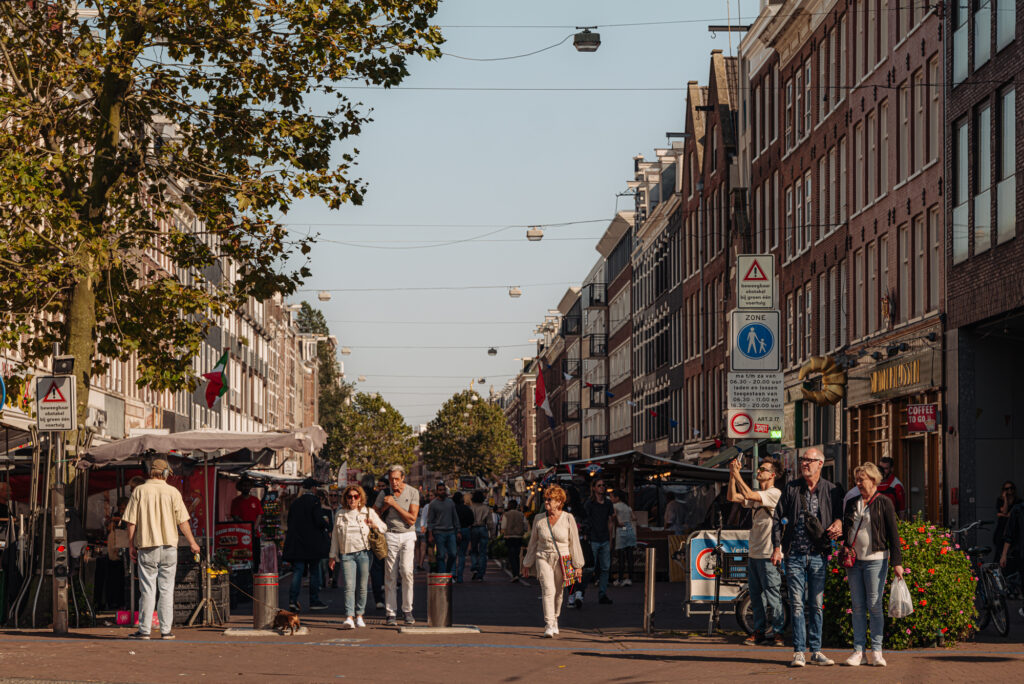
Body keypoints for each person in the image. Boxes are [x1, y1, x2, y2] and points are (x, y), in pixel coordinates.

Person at [771, 447, 843, 668]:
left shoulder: (831, 490)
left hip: (819, 555)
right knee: (797, 604)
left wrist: (839, 524)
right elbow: (777, 518)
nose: (804, 464)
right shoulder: (792, 489)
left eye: (809, 460)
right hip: (794, 555)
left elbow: (842, 517)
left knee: (816, 604)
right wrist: (776, 547)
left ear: (820, 463)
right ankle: (799, 652)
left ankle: (817, 650)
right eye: (802, 460)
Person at [122, 458, 201, 639]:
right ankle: (166, 631)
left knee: (147, 590)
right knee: (167, 589)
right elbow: (183, 522)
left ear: (150, 472)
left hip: (147, 547)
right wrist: (192, 543)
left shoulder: (139, 491)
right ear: (166, 474)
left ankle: (145, 630)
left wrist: (131, 544)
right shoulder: (173, 492)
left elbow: (131, 522)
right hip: (169, 548)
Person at [840, 462, 904, 667]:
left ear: (873, 479)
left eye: (862, 479)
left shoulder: (884, 502)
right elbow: (846, 530)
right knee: (857, 606)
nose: (858, 483)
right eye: (856, 479)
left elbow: (893, 534)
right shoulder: (852, 502)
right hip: (854, 561)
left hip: (876, 560)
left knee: (875, 606)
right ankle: (859, 651)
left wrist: (897, 563)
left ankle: (877, 650)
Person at [728, 457, 784, 647]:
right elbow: (733, 497)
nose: (758, 472)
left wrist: (737, 474)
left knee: (773, 595)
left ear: (772, 474)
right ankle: (759, 631)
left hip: (769, 553)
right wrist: (731, 476)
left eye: (763, 469)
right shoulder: (760, 494)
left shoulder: (774, 493)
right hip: (754, 553)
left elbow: (750, 495)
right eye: (759, 469)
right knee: (756, 595)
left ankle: (778, 633)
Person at [522, 484, 585, 637]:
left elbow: (574, 542)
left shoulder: (568, 518)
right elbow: (533, 543)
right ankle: (549, 624)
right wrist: (527, 563)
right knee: (548, 589)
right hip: (543, 556)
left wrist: (578, 565)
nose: (547, 502)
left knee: (558, 592)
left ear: (559, 501)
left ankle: (555, 618)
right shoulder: (539, 518)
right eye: (546, 499)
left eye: (550, 499)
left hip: (563, 558)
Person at [328, 485, 387, 630]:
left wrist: (373, 525)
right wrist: (332, 556)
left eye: (356, 496)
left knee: (362, 586)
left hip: (364, 553)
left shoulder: (368, 512)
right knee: (349, 586)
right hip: (347, 554)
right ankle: (349, 616)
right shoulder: (340, 514)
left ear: (360, 497)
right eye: (350, 497)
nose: (353, 499)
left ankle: (359, 614)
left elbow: (384, 527)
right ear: (345, 498)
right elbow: (335, 537)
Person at [374, 465, 420, 626]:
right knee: (390, 574)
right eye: (391, 479)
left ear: (403, 478)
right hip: (391, 534)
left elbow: (412, 519)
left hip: (407, 534)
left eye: (396, 479)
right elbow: (375, 513)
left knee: (407, 571)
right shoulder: (384, 493)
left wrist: (394, 504)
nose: (393, 482)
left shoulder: (413, 492)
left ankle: (407, 610)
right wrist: (387, 504)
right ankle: (391, 612)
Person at [282, 478, 331, 612]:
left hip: (297, 544)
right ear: (314, 489)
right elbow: (319, 521)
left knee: (298, 571)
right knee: (314, 572)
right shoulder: (314, 502)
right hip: (312, 544)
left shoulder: (295, 503)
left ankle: (292, 600)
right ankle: (314, 601)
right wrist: (326, 524)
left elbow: (290, 522)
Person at [584, 478, 615, 604]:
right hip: (593, 539)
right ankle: (579, 593)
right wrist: (587, 536)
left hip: (604, 539)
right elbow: (585, 521)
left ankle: (602, 594)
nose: (602, 487)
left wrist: (611, 538)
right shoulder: (589, 504)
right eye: (599, 485)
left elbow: (610, 521)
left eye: (603, 485)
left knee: (605, 568)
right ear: (594, 488)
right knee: (589, 568)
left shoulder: (608, 503)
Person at [426, 482, 460, 573]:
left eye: (444, 490)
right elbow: (430, 520)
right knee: (441, 555)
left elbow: (455, 517)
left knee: (453, 554)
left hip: (450, 531)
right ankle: (443, 574)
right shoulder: (433, 504)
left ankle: (448, 570)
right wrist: (430, 534)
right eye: (440, 490)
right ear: (437, 491)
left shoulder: (450, 502)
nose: (442, 492)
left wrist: (458, 530)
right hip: (438, 532)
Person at [609, 490, 637, 587]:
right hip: (629, 529)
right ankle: (630, 578)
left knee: (621, 557)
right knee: (630, 556)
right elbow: (634, 518)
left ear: (617, 498)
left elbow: (613, 516)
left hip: (621, 530)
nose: (611, 499)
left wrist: (617, 520)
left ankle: (620, 579)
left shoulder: (615, 506)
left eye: (612, 497)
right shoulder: (628, 507)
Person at [469, 490, 494, 580]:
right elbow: (490, 522)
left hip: (473, 529)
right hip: (483, 528)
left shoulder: (471, 508)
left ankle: (475, 566)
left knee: (474, 550)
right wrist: (492, 534)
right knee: (483, 552)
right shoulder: (486, 508)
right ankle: (481, 573)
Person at [501, 499, 527, 582]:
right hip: (518, 537)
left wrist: (504, 532)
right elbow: (525, 525)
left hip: (509, 537)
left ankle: (515, 574)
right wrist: (523, 531)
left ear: (509, 505)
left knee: (511, 555)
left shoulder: (506, 514)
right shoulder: (521, 514)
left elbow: (503, 526)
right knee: (517, 555)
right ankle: (517, 573)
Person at [994, 481, 1019, 562]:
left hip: (1014, 530)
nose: (1009, 490)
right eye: (1007, 489)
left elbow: (1012, 516)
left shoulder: (1018, 502)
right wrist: (1005, 499)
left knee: (1013, 553)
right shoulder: (1000, 500)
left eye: (1011, 488)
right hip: (1002, 529)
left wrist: (1002, 515)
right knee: (999, 552)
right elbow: (1005, 511)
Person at [453, 491, 474, 583]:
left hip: (453, 531)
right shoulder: (467, 509)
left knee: (452, 554)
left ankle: (453, 573)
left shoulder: (452, 509)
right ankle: (460, 576)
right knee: (462, 555)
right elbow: (472, 520)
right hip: (465, 530)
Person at [415, 491, 431, 571]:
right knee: (423, 549)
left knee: (417, 548)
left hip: (415, 531)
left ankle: (417, 563)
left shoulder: (414, 509)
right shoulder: (426, 508)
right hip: (424, 530)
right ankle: (421, 564)